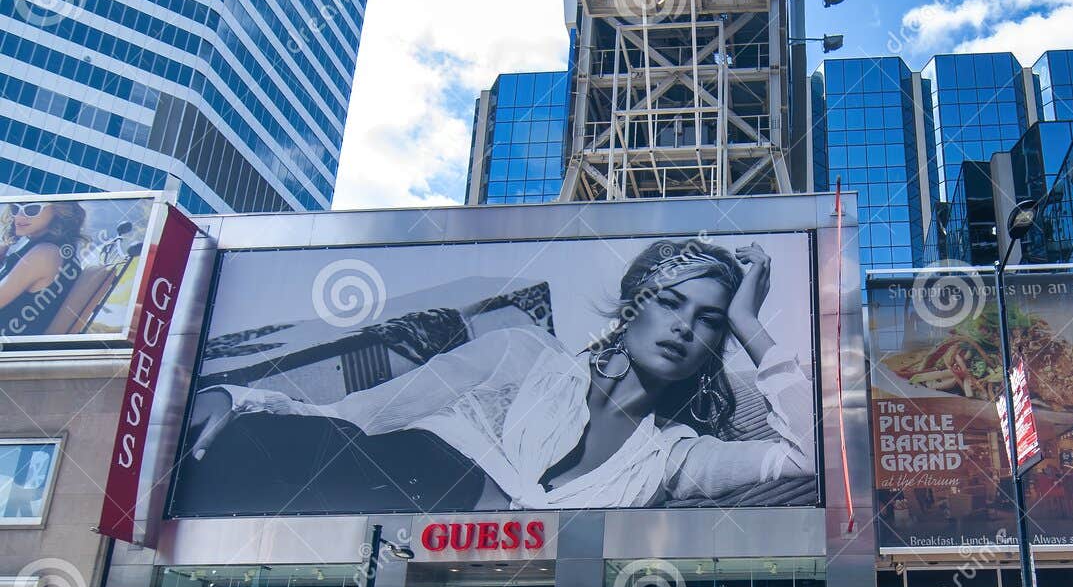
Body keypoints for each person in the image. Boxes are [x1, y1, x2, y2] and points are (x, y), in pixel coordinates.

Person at [180, 240, 812, 513]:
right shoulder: (520, 354)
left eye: (708, 321)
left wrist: (749, 324)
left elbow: (806, 457)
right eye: (670, 302)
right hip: (382, 498)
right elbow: (361, 417)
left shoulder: (671, 457)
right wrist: (236, 397)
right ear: (631, 307)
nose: (683, 327)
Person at [0, 200, 86, 336]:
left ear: (58, 210)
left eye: (32, 209)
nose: (19, 216)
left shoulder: (44, 253)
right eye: (15, 208)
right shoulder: (47, 246)